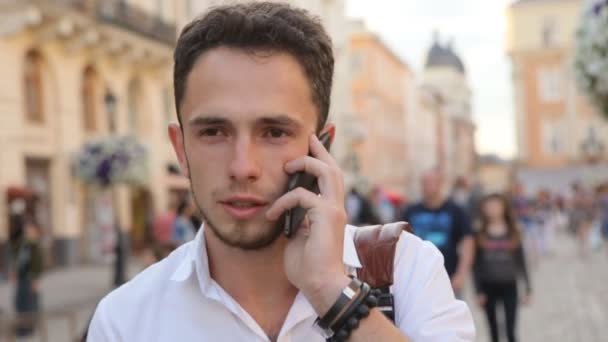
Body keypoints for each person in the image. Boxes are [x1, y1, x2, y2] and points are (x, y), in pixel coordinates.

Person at [87, 3, 475, 341]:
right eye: (213, 132)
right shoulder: (126, 320)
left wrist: (331, 293)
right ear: (181, 149)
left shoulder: (403, 270)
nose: (242, 167)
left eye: (274, 132)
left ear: (322, 147)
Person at [400, 169, 475, 297]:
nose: (427, 186)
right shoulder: (410, 211)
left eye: (431, 182)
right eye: (424, 183)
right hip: (418, 278)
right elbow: (401, 242)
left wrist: (461, 275)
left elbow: (468, 242)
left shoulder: (455, 211)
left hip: (448, 276)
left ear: (440, 184)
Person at [473, 194, 531, 342]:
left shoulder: (514, 231)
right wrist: (478, 290)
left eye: (496, 205)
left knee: (511, 330)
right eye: (489, 206)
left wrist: (528, 288)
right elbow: (476, 266)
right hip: (488, 286)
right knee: (493, 330)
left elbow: (521, 260)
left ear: (504, 207)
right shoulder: (480, 233)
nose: (493, 209)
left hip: (509, 284)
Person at [11, 216, 43, 337]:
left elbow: (38, 263)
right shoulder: (22, 242)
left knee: (29, 303)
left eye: (30, 228)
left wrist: (36, 279)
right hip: (21, 277)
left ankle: (28, 328)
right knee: (19, 302)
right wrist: (15, 272)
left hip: (30, 278)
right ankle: (21, 326)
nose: (27, 230)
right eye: (26, 228)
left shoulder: (35, 245)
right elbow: (17, 259)